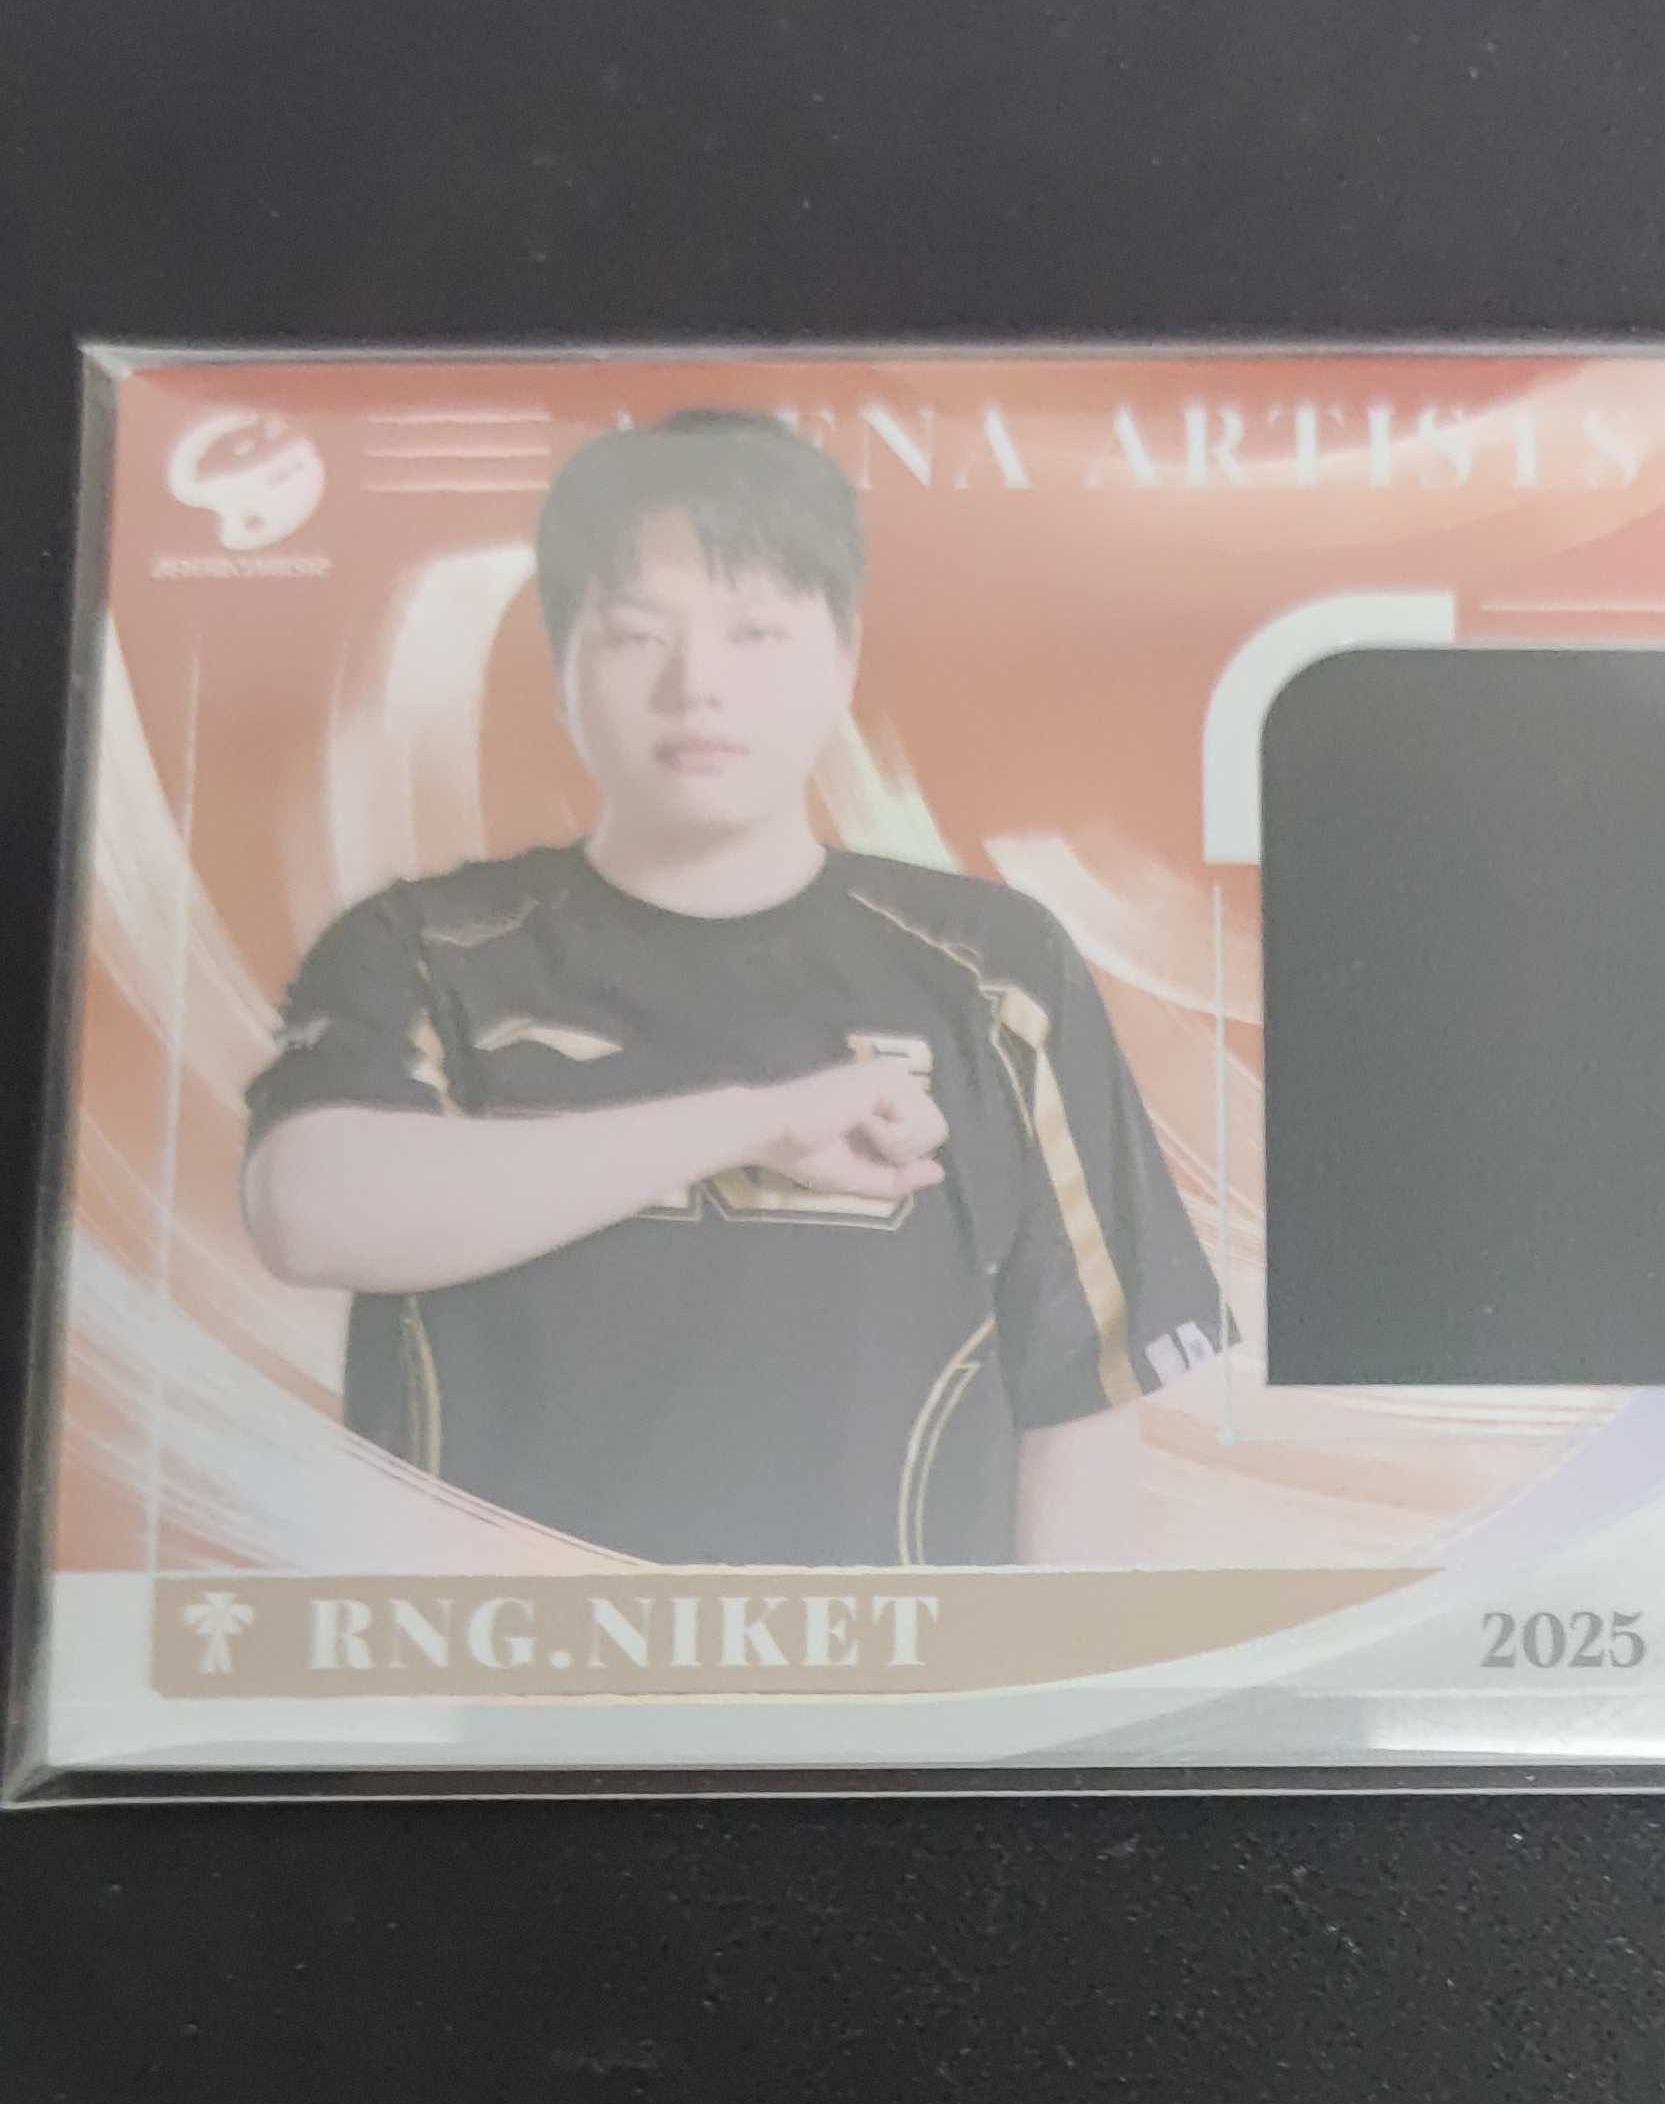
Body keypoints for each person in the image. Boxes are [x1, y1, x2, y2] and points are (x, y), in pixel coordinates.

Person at [241, 410, 1225, 1567]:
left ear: (843, 656)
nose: (696, 685)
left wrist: (1047, 1683)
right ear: (561, 667)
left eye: (756, 631)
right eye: (635, 635)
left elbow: (1082, 1394)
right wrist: (750, 1124)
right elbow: (306, 1211)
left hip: (883, 1673)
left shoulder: (993, 968)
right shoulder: (424, 948)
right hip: (497, 1661)